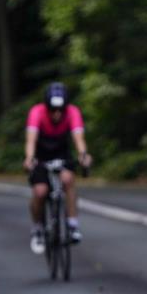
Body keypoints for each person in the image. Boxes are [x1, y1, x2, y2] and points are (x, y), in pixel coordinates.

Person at [24, 82, 93, 254]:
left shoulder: (72, 112)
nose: (57, 113)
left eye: (60, 110)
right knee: (40, 191)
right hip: (41, 154)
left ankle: (72, 225)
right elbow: (31, 140)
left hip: (62, 152)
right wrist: (30, 159)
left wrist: (83, 156)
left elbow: (78, 139)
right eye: (53, 110)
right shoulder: (36, 112)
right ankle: (38, 229)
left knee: (68, 179)